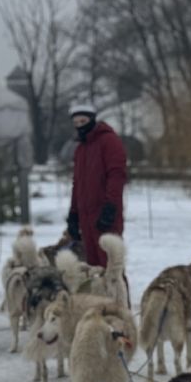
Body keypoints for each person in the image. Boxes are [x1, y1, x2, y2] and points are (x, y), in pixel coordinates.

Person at [61, 101, 127, 269]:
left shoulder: (109, 141)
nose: (80, 126)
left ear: (92, 120)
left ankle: (118, 289)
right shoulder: (80, 150)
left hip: (105, 214)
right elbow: (77, 184)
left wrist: (110, 207)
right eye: (76, 123)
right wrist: (73, 214)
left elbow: (116, 175)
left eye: (83, 121)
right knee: (92, 268)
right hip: (85, 216)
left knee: (111, 266)